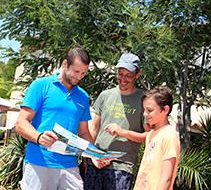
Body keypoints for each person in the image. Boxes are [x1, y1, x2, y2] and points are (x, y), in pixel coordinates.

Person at [15, 47, 93, 190]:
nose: (80, 76)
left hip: (70, 165)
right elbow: (20, 123)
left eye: (83, 73)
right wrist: (38, 137)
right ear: (65, 64)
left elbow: (83, 133)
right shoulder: (41, 86)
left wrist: (95, 153)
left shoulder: (83, 96)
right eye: (76, 71)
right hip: (39, 163)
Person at [84, 52, 149, 190]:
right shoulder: (105, 95)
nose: (123, 79)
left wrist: (123, 132)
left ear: (137, 75)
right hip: (96, 162)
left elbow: (148, 137)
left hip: (122, 167)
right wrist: (91, 156)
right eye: (120, 74)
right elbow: (93, 130)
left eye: (128, 75)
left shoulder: (144, 100)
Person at [133, 87, 180, 190]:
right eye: (144, 110)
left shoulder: (169, 135)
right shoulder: (151, 134)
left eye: (149, 110)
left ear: (165, 110)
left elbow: (166, 179)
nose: (145, 114)